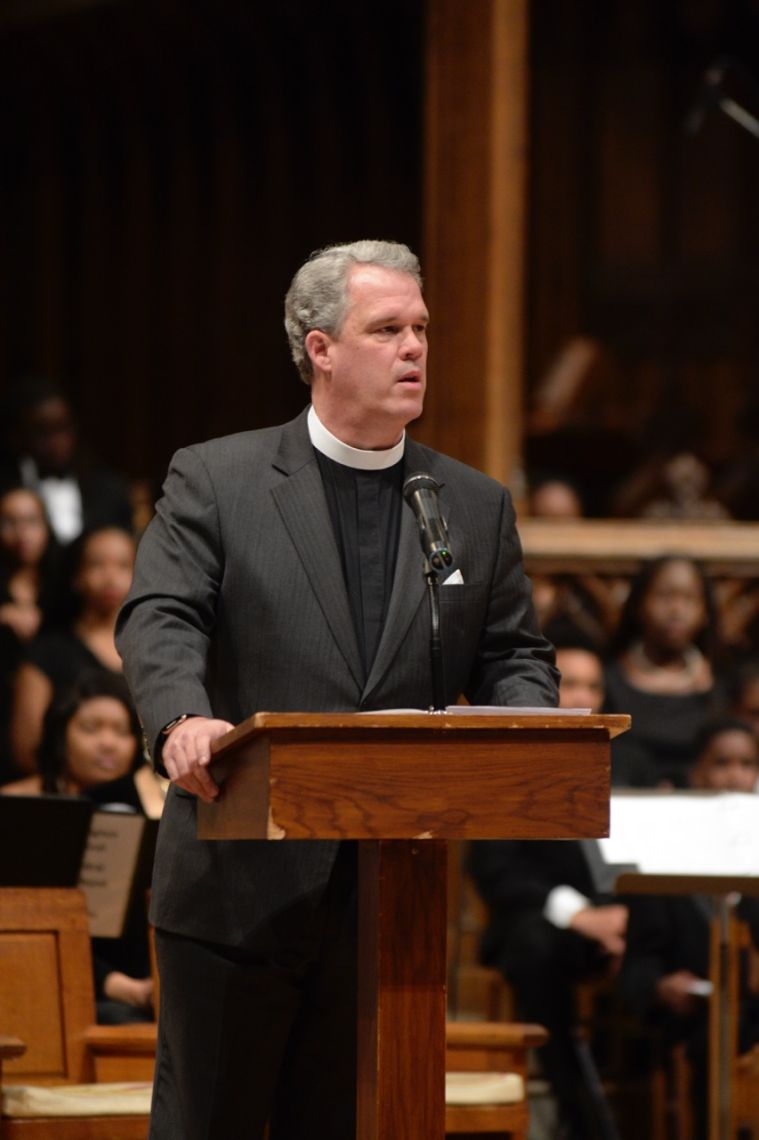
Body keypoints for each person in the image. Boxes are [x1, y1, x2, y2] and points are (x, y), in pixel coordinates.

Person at [115, 239, 559, 1140]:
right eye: (387, 328)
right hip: (237, 888)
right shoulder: (219, 479)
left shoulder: (467, 504)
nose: (414, 349)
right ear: (319, 348)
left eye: (422, 329)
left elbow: (514, 653)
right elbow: (159, 617)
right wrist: (182, 716)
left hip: (389, 902)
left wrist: (526, 726)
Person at [469, 627, 628, 1140]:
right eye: (570, 683)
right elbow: (495, 869)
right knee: (533, 946)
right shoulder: (510, 767)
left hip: (629, 920)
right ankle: (579, 1112)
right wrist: (578, 914)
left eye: (594, 687)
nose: (582, 697)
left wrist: (626, 914)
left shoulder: (632, 763)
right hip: (541, 923)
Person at [619, 717, 759, 1138]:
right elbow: (638, 962)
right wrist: (661, 986)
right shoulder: (665, 856)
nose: (735, 775)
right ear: (696, 771)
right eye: (721, 763)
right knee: (712, 1041)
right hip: (699, 1015)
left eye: (747, 764)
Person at [1, 669, 165, 1022]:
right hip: (40, 973)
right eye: (91, 729)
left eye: (122, 732)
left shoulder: (145, 811)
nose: (108, 743)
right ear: (60, 735)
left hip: (140, 973)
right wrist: (123, 986)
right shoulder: (17, 807)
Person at [10, 525, 135, 772]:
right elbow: (26, 747)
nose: (111, 576)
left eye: (123, 566)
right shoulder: (48, 651)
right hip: (66, 793)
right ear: (77, 576)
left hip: (145, 796)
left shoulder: (152, 650)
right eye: (98, 564)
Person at [602, 556, 725, 787]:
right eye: (664, 596)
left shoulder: (722, 684)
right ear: (638, 604)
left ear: (706, 611)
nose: (676, 610)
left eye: (689, 598)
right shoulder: (606, 680)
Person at [0, 379, 134, 545]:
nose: (57, 442)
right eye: (43, 432)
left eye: (63, 428)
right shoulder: (7, 492)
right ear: (17, 437)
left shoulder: (109, 491)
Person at [0, 487, 64, 782]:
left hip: (52, 704)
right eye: (9, 522)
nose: (21, 532)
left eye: (31, 521)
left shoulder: (63, 582)